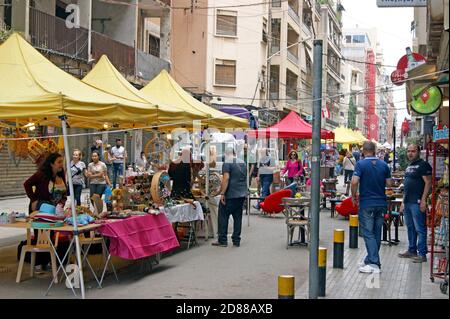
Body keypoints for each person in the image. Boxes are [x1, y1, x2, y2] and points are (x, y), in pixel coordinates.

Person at [351, 141, 392, 274]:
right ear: (374, 150)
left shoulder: (360, 164)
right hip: (381, 203)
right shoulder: (384, 165)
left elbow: (354, 181)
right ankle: (369, 259)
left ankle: (374, 263)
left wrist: (353, 196)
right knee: (376, 232)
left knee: (368, 233)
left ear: (363, 151)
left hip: (367, 203)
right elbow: (389, 183)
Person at [398, 144, 432, 263]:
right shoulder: (409, 166)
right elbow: (407, 186)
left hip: (417, 202)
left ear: (418, 152)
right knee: (410, 228)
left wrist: (423, 200)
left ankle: (422, 253)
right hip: (408, 202)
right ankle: (412, 250)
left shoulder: (423, 165)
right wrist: (403, 201)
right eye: (408, 151)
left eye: (413, 151)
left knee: (420, 228)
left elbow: (428, 182)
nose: (410, 153)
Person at [212, 147, 248, 247]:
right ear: (234, 153)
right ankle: (236, 240)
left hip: (230, 194)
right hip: (241, 194)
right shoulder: (243, 162)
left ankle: (222, 240)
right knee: (238, 217)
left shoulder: (227, 162)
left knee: (223, 216)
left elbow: (226, 178)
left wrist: (222, 193)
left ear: (226, 154)